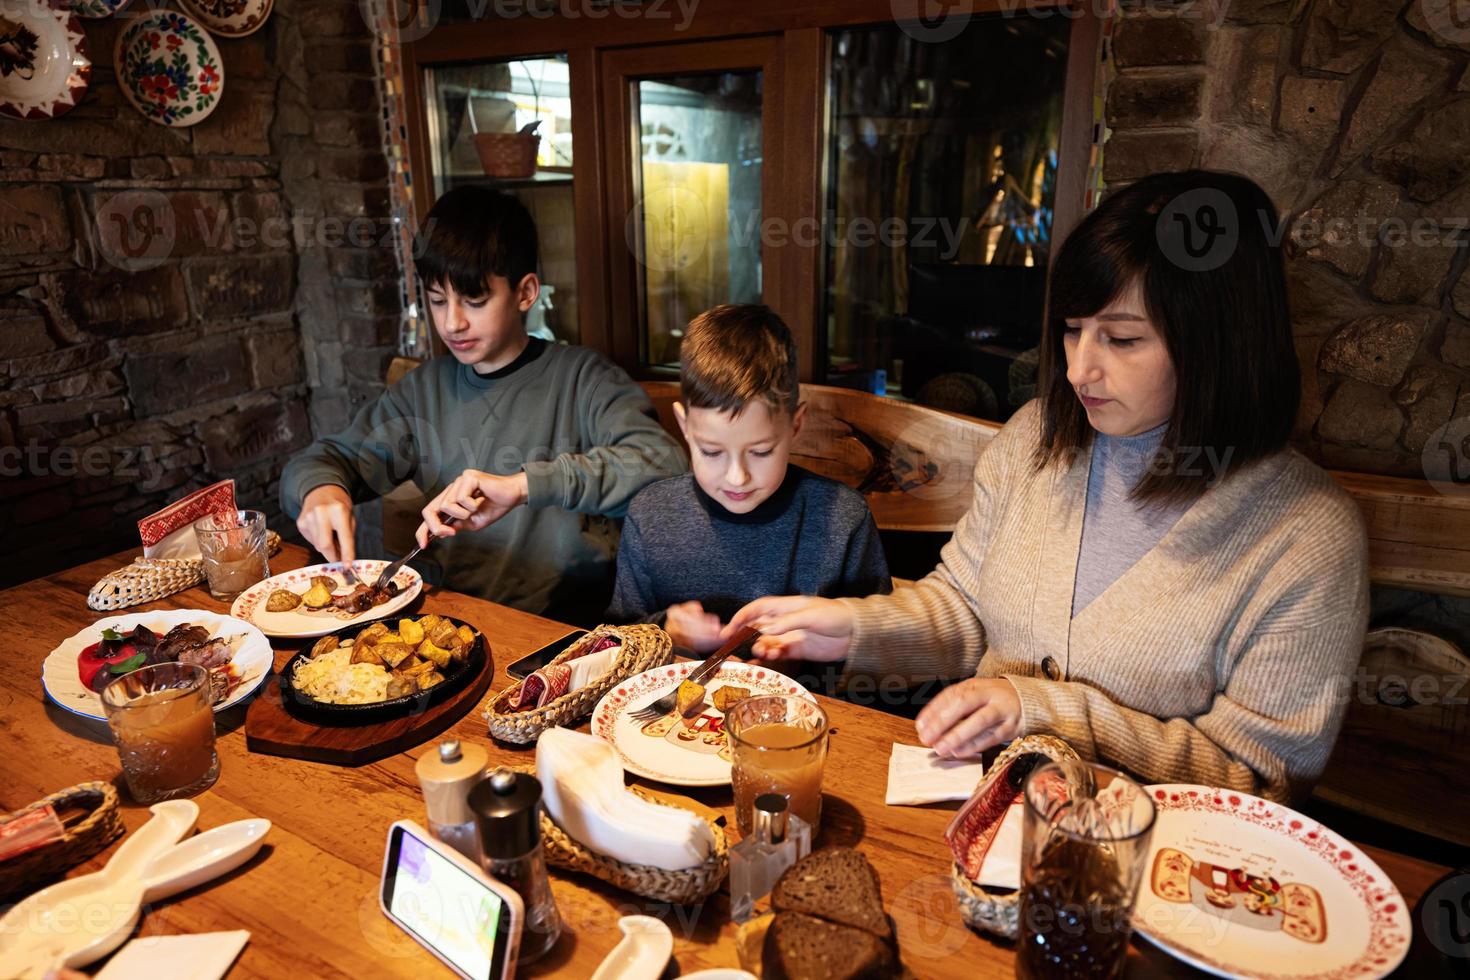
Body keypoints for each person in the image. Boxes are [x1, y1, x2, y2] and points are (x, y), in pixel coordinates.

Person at [726, 171, 1369, 804]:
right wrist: (851, 628)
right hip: (984, 812)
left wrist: (1044, 710)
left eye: (1121, 338)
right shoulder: (1038, 440)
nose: (1079, 366)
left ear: (1219, 344)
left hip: (1143, 862)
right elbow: (966, 611)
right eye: (1071, 328)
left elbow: (1259, 780)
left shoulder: (1304, 534)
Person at [281, 186, 685, 625]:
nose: (452, 322)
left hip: (567, 629)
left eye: (474, 301)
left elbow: (664, 464)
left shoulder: (583, 380)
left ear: (525, 292)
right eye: (438, 300)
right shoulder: (424, 391)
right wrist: (322, 490)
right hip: (453, 623)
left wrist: (524, 484)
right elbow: (324, 460)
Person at [607, 304, 890, 656]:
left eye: (760, 452)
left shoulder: (843, 520)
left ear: (795, 425)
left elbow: (876, 643)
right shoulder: (651, 515)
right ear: (684, 427)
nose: (737, 477)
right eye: (712, 452)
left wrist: (803, 656)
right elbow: (615, 640)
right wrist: (666, 630)